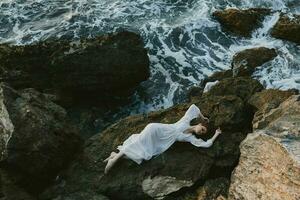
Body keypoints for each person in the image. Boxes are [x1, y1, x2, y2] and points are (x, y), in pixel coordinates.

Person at [103, 104, 222, 174]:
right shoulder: (186, 120)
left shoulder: (189, 138)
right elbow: (194, 107)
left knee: (144, 155)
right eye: (202, 129)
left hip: (161, 142)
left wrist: (216, 134)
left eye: (202, 133)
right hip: (157, 129)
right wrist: (203, 118)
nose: (201, 132)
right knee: (138, 143)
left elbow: (207, 144)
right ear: (200, 125)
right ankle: (114, 160)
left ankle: (115, 155)